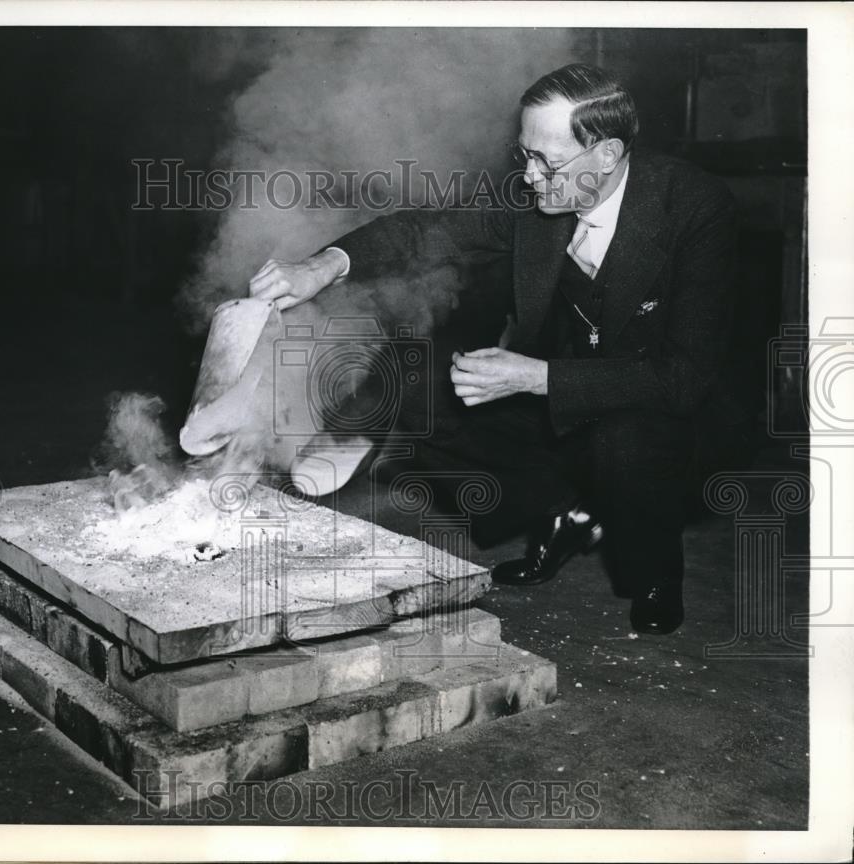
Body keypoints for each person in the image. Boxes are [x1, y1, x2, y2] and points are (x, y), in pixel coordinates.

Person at [249, 63, 738, 635]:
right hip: (564, 393)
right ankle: (559, 511)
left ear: (605, 155)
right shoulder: (536, 198)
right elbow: (423, 230)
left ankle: (655, 574)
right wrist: (321, 266)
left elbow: (683, 378)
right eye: (523, 155)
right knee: (415, 388)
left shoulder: (696, 209)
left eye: (547, 162)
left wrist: (535, 377)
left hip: (663, 414)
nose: (529, 178)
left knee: (625, 439)